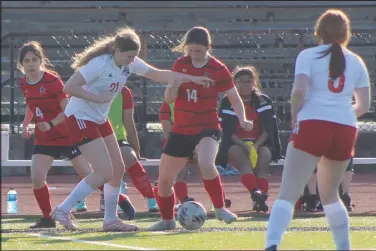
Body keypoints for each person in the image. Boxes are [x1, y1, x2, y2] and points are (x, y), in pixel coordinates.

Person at [50, 27, 213, 231]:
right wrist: (97, 98)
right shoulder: (99, 64)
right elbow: (69, 87)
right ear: (117, 50)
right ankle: (63, 209)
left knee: (118, 169)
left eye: (134, 57)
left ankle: (110, 220)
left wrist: (193, 78)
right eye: (128, 57)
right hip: (80, 117)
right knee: (104, 172)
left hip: (99, 119)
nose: (131, 61)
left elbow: (158, 74)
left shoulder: (129, 61)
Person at [265, 9, 371, 250]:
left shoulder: (308, 55)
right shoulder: (356, 61)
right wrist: (340, 114)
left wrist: (295, 115)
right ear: (346, 33)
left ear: (318, 32)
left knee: (288, 192)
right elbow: (363, 106)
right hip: (344, 128)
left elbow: (299, 91)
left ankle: (272, 244)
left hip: (313, 123)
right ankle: (343, 246)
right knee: (331, 194)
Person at [149, 26, 253, 231]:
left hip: (208, 127)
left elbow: (234, 97)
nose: (194, 55)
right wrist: (173, 85)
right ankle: (167, 220)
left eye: (199, 51)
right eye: (191, 50)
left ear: (208, 48)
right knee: (164, 180)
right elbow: (169, 99)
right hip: (181, 128)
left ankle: (220, 208)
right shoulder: (180, 64)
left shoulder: (218, 68)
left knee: (206, 162)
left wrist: (243, 118)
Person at [17, 41, 92, 229]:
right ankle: (47, 218)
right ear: (21, 65)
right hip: (45, 138)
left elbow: (67, 110)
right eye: (27, 61)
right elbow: (31, 105)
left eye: (34, 60)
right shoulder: (24, 82)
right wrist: (26, 124)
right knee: (36, 177)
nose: (31, 64)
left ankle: (119, 203)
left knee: (90, 175)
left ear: (41, 61)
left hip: (66, 135)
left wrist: (50, 124)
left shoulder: (52, 80)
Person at [75, 86, 159, 216]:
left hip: (117, 138)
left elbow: (128, 121)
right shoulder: (85, 88)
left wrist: (136, 149)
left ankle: (151, 199)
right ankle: (80, 199)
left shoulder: (124, 91)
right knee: (86, 162)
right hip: (92, 137)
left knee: (131, 158)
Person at [217, 65, 283, 212]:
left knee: (264, 157)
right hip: (236, 143)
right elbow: (226, 130)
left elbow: (269, 129)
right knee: (243, 162)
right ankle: (256, 193)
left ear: (254, 83)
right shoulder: (228, 101)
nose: (244, 85)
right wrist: (244, 145)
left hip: (259, 143)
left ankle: (261, 199)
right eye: (240, 82)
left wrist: (257, 145)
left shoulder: (264, 101)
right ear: (235, 83)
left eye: (248, 81)